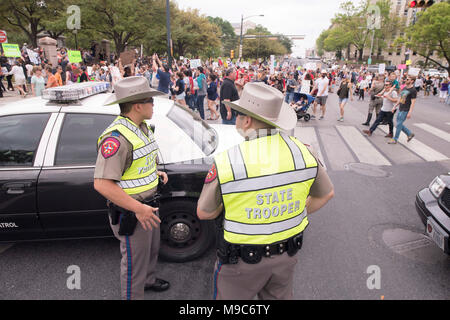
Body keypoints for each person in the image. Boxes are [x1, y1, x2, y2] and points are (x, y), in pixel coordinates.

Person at [197, 82, 334, 300]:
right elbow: (326, 194)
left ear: (247, 120)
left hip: (241, 263)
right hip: (286, 257)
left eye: (238, 115)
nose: (236, 119)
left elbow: (204, 212)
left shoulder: (228, 161)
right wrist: (293, 212)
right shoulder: (304, 152)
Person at [94, 76, 170, 300]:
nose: (153, 105)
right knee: (134, 263)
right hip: (133, 212)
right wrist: (138, 208)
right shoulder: (117, 138)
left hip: (149, 206)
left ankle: (148, 281)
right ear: (138, 105)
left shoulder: (141, 127)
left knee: (151, 251)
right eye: (150, 101)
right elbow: (102, 183)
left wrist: (153, 172)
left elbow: (134, 164)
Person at [388, 76, 417, 144]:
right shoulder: (404, 88)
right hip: (401, 108)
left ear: (412, 81)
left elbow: (413, 102)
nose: (405, 80)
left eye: (407, 79)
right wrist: (395, 106)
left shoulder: (413, 90)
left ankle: (395, 139)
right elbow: (401, 98)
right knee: (399, 124)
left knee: (399, 124)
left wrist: (410, 112)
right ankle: (409, 133)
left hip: (406, 109)